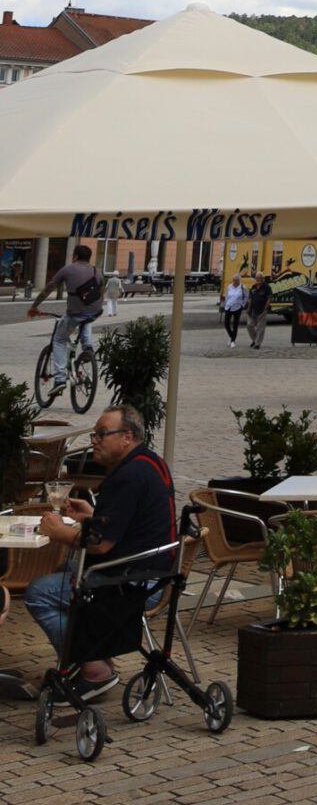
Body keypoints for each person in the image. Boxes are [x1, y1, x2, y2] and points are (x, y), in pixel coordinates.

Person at [23, 406, 175, 690]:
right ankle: (97, 653)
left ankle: (94, 670)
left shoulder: (127, 477)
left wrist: (59, 531)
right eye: (94, 434)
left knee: (39, 593)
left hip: (135, 583)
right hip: (155, 572)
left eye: (102, 434)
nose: (94, 440)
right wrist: (91, 516)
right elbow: (129, 525)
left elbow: (100, 545)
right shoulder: (149, 462)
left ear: (127, 436)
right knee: (66, 569)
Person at [27, 245, 106, 397]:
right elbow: (102, 291)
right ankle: (87, 348)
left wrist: (34, 306)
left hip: (75, 313)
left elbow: (48, 288)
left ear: (75, 256)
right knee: (86, 319)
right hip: (95, 312)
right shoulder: (97, 271)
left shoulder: (68, 269)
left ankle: (59, 380)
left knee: (59, 340)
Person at [246, 273, 273, 349]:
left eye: (259, 277)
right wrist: (248, 308)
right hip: (252, 310)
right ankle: (255, 340)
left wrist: (265, 308)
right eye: (256, 278)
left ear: (262, 278)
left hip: (262, 309)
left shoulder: (267, 287)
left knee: (260, 328)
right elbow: (250, 298)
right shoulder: (253, 287)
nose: (258, 279)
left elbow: (269, 298)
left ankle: (257, 343)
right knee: (249, 325)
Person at [220, 274, 246, 351]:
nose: (235, 282)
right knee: (226, 323)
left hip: (237, 307)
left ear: (239, 280)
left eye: (236, 280)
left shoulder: (242, 287)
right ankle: (231, 336)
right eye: (234, 280)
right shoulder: (229, 287)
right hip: (229, 306)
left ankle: (233, 341)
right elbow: (227, 296)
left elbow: (246, 297)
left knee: (235, 324)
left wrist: (242, 305)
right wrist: (225, 305)